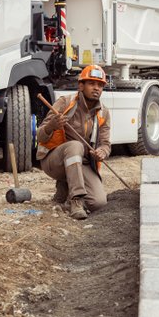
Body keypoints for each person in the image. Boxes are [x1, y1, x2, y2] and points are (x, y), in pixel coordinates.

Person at [36, 64, 111, 219]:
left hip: (80, 163)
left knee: (99, 203)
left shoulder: (103, 112)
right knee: (75, 146)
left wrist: (102, 152)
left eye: (100, 85)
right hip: (53, 162)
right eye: (91, 83)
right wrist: (52, 126)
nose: (96, 88)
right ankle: (75, 201)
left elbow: (105, 144)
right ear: (81, 85)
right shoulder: (65, 103)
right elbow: (40, 136)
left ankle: (65, 190)